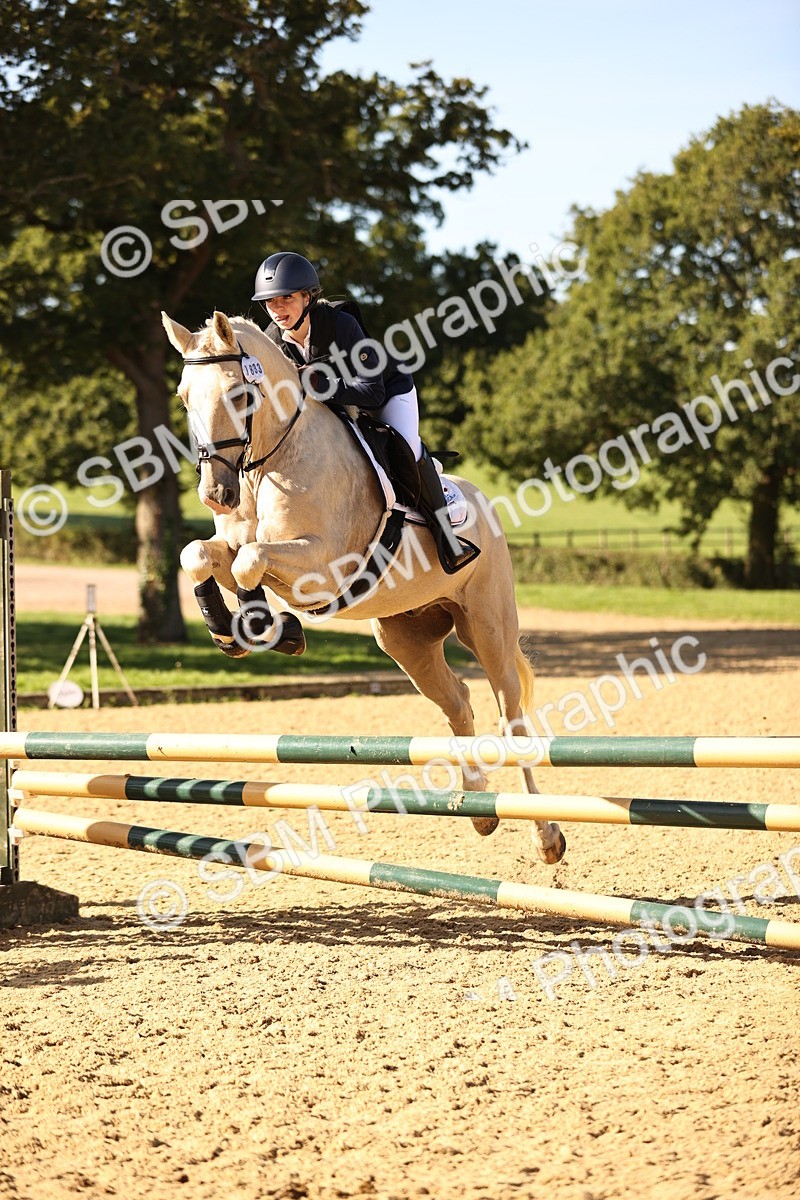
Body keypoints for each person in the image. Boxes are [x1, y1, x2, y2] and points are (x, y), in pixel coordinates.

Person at [251, 251, 479, 575]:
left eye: (286, 298)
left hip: (388, 393)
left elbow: (372, 393)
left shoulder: (341, 325)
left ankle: (447, 537)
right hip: (336, 406)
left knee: (407, 449)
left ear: (307, 297)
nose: (277, 309)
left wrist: (321, 384)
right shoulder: (273, 342)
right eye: (270, 302)